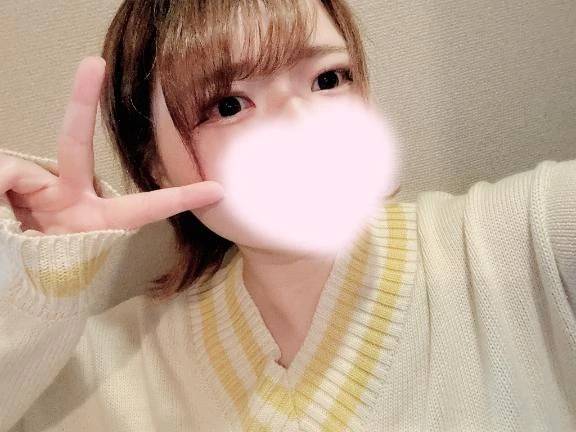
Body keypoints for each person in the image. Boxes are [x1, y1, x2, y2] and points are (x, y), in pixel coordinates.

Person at [0, 0, 574, 430]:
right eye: (229, 105)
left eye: (329, 79)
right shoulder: (107, 368)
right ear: (155, 165)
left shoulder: (525, 238)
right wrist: (36, 291)